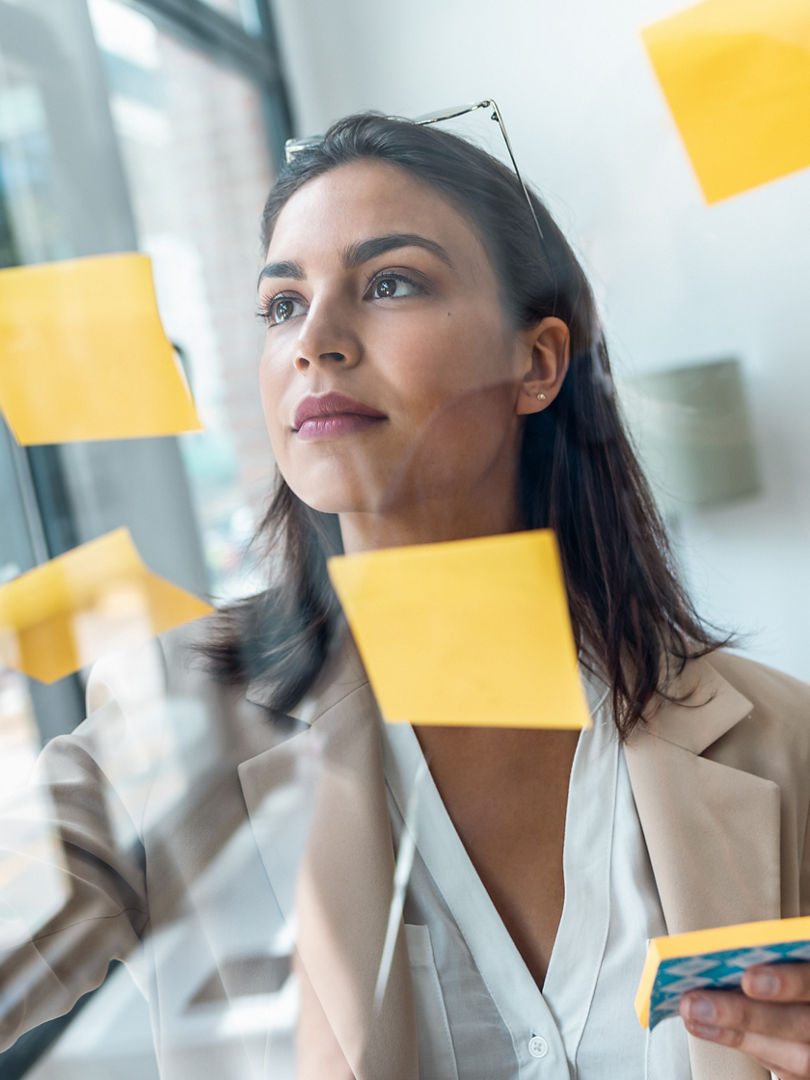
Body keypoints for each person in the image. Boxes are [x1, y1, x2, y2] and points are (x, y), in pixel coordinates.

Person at [1, 110, 810, 1080]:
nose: (317, 341)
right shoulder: (179, 718)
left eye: (391, 283)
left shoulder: (775, 738)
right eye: (281, 305)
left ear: (538, 361)